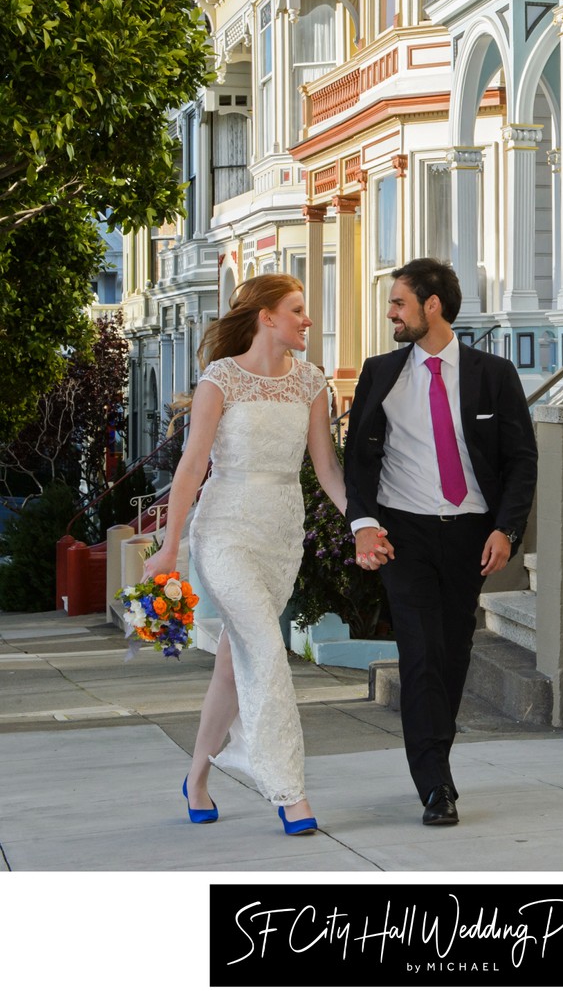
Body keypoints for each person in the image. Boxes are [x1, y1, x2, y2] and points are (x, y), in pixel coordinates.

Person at [143, 274, 389, 834]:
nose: (308, 320)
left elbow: (327, 469)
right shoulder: (219, 380)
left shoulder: (310, 383)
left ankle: (197, 778)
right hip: (224, 530)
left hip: (281, 535)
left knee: (234, 667)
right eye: (298, 309)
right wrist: (167, 546)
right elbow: (191, 468)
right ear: (266, 317)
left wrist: (363, 525)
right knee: (266, 648)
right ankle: (289, 790)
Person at [344, 258, 537, 826]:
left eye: (398, 303)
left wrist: (506, 529)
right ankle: (435, 785)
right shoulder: (380, 373)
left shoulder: (492, 374)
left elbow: (521, 459)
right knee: (421, 654)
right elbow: (358, 460)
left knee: (452, 655)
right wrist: (363, 524)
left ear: (432, 305)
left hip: (471, 537)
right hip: (404, 535)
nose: (390, 314)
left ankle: (436, 767)